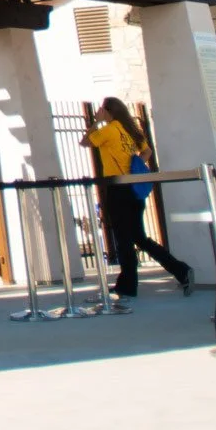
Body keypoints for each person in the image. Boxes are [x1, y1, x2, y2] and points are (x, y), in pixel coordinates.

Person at [83, 97, 193, 297]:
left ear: (108, 111)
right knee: (139, 237)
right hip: (134, 187)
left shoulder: (109, 130)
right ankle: (181, 270)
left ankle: (128, 286)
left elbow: (85, 142)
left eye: (102, 110)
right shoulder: (130, 130)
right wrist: (133, 166)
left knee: (123, 237)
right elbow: (147, 151)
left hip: (118, 186)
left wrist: (95, 123)